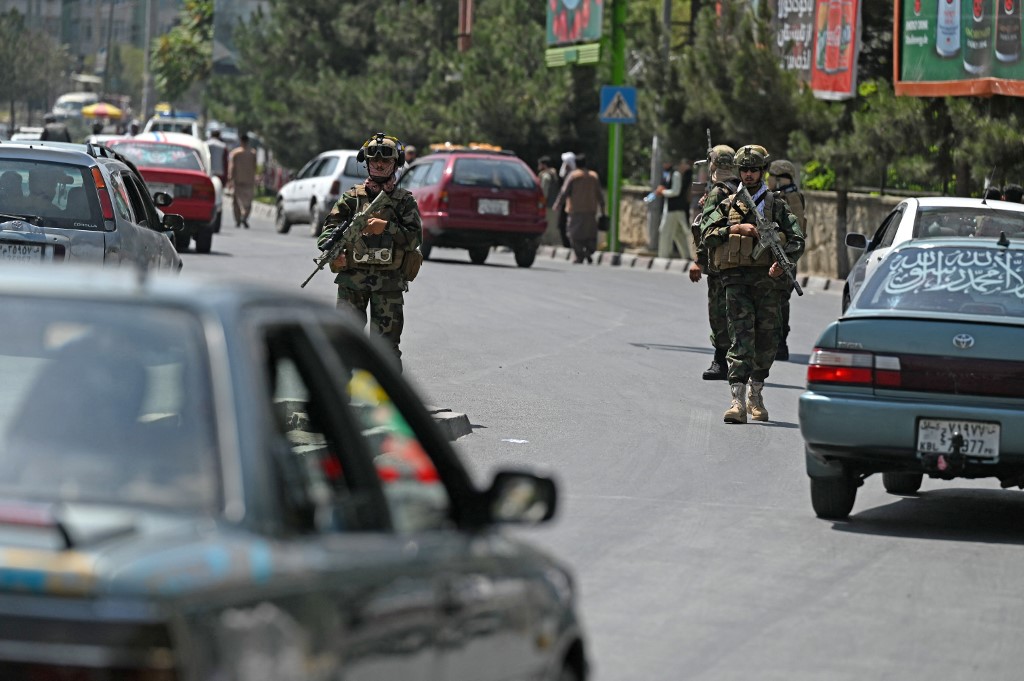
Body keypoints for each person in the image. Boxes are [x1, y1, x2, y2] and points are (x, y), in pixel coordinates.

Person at [701, 144, 804, 424]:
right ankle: (737, 401)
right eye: (744, 170)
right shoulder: (728, 202)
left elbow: (797, 239)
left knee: (768, 340)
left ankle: (756, 394)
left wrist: (783, 262)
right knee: (741, 337)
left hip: (768, 282)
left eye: (754, 170)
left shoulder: (776, 205)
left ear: (762, 171)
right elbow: (707, 234)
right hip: (735, 281)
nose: (748, 175)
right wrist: (735, 228)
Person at [316, 132, 423, 371]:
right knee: (343, 343)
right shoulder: (352, 198)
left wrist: (386, 227)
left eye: (385, 161)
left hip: (388, 284)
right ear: (366, 162)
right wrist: (335, 252)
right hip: (352, 282)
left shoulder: (403, 201)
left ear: (396, 163)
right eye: (374, 160)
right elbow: (328, 231)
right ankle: (338, 402)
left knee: (385, 348)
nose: (379, 164)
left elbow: (414, 238)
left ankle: (385, 403)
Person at [689, 145, 739, 381]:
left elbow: (706, 228)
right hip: (740, 261)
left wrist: (698, 261)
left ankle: (721, 361)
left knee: (719, 312)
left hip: (720, 263)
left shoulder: (719, 192)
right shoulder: (742, 188)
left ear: (714, 166)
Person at [767, 159, 806, 362]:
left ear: (780, 178)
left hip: (785, 258)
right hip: (773, 257)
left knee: (781, 301)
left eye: (770, 176)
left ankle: (781, 345)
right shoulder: (778, 196)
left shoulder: (792, 197)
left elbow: (797, 229)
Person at [553, 153, 604, 264]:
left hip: (575, 210)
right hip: (590, 210)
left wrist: (557, 204)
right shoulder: (593, 176)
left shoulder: (573, 176)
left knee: (574, 234)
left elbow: (564, 192)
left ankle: (580, 255)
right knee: (590, 235)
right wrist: (603, 208)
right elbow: (600, 194)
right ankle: (588, 252)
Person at [656, 157, 693, 260]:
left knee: (665, 232)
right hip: (671, 209)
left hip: (675, 209)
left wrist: (663, 192)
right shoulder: (667, 174)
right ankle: (686, 256)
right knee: (678, 233)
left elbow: (676, 191)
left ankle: (663, 256)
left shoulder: (675, 174)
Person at [228, 132, 258, 228]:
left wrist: (230, 179)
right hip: (249, 181)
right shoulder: (253, 153)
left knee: (236, 202)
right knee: (248, 202)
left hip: (238, 180)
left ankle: (238, 219)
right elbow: (255, 167)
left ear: (241, 141)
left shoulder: (235, 153)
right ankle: (244, 216)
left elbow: (232, 167)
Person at [537, 155, 562, 246]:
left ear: (544, 165)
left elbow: (544, 191)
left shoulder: (546, 175)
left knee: (547, 225)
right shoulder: (553, 174)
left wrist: (541, 204)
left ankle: (548, 243)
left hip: (548, 205)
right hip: (554, 204)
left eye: (539, 164)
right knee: (553, 225)